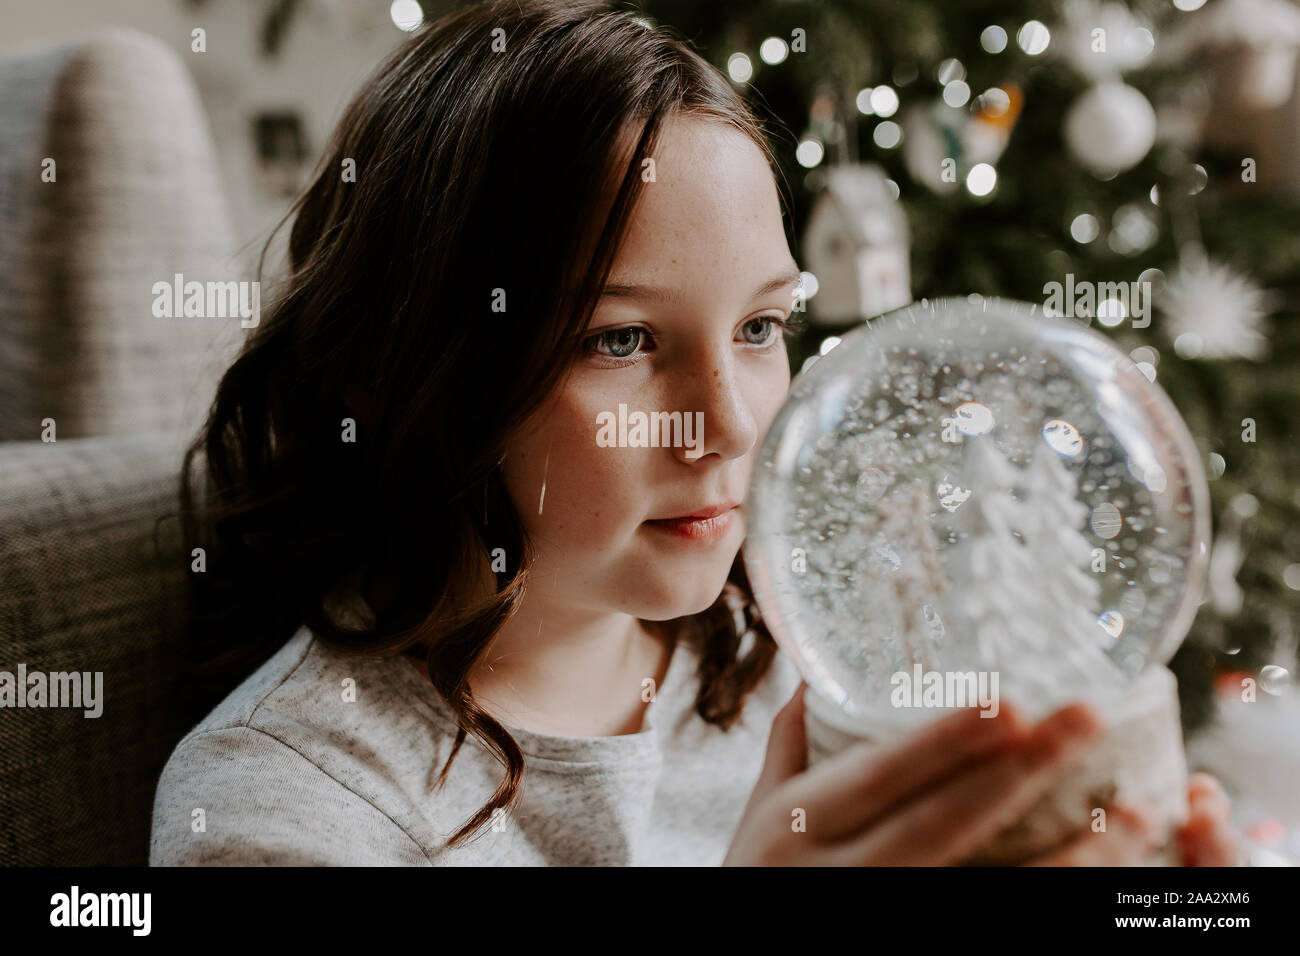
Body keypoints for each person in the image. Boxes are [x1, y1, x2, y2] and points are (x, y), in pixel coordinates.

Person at [150, 0, 1241, 866]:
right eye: (619, 340)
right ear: (388, 374)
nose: (729, 424)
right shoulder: (288, 809)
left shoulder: (795, 655)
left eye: (761, 324)